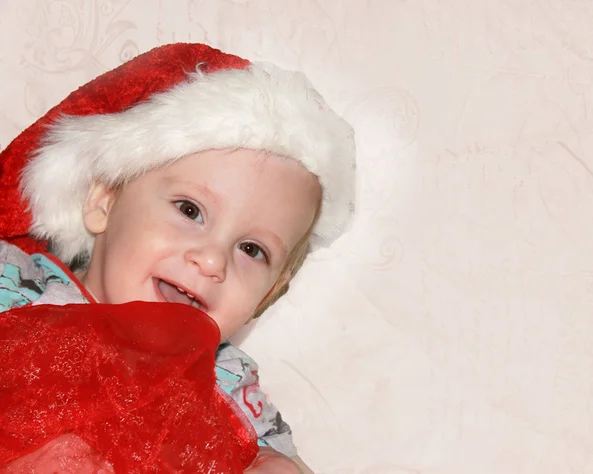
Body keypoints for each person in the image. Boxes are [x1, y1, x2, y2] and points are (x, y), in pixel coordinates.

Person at [0, 42, 355, 473]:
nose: (211, 260)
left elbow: (281, 461)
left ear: (270, 294)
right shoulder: (18, 287)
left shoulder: (229, 384)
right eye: (190, 211)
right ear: (104, 200)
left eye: (251, 250)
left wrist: (275, 463)